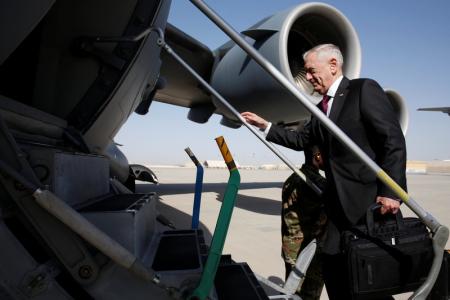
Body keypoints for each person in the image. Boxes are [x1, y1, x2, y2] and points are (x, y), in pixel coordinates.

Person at [241, 44, 406, 299]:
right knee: (334, 272)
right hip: (336, 210)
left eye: (310, 70)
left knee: (370, 279)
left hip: (368, 206)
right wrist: (267, 127)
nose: (307, 77)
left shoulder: (362, 90)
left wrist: (392, 192)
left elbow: (392, 140)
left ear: (333, 65)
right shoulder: (320, 109)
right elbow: (301, 140)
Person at [281, 145, 326, 300]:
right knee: (307, 295)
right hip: (307, 253)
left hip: (291, 248)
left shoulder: (292, 178)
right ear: (318, 156)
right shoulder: (317, 183)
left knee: (291, 290)